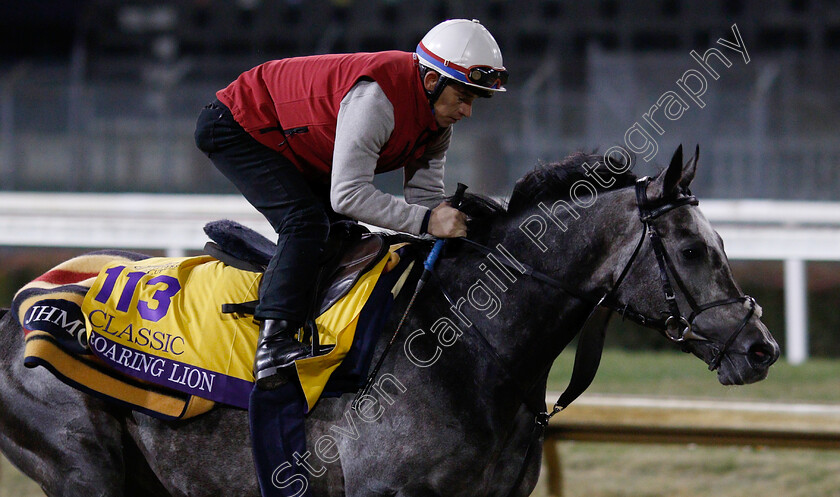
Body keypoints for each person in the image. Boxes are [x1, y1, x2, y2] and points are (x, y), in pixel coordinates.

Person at [195, 19, 507, 495]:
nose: (466, 110)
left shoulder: (435, 120)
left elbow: (423, 198)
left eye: (473, 100)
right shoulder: (376, 99)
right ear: (429, 80)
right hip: (238, 125)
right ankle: (274, 346)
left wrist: (445, 226)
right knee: (307, 224)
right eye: (461, 97)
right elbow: (348, 194)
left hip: (298, 144)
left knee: (342, 235)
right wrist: (428, 223)